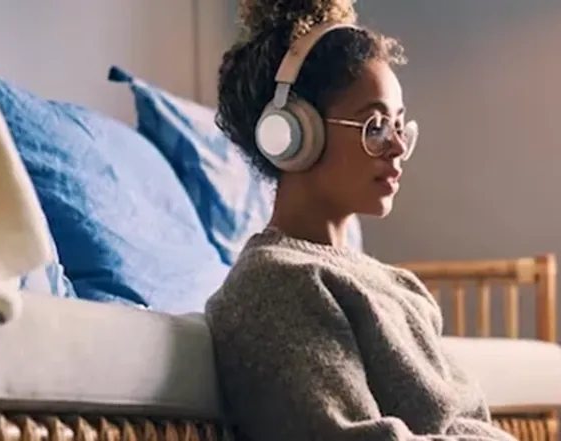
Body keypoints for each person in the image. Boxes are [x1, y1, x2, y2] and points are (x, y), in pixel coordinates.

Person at [205, 1, 519, 440]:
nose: (396, 147)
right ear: (293, 133)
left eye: (399, 126)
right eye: (374, 126)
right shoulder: (276, 285)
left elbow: (475, 422)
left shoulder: (403, 287)